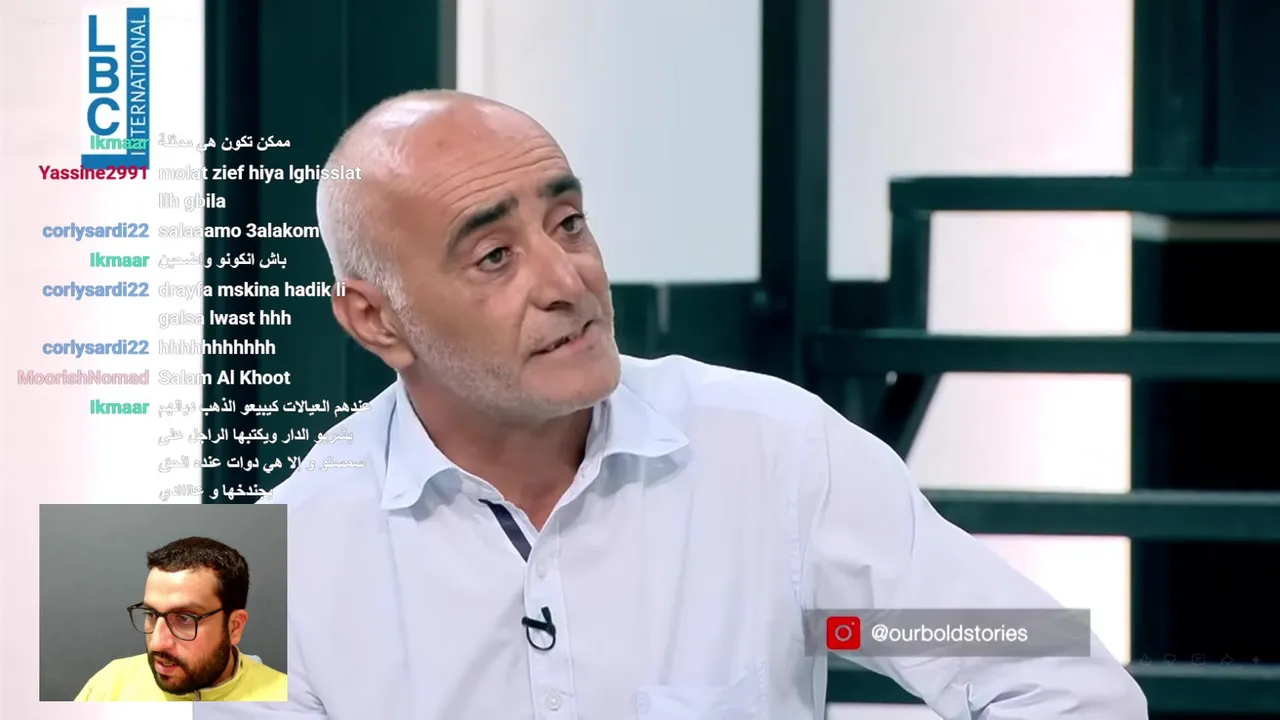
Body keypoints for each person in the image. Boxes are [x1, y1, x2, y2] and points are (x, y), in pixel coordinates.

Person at [195, 90, 1147, 719]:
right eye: (494, 257)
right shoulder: (263, 566)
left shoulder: (773, 454)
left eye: (569, 223)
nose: (568, 280)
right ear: (376, 320)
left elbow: (1050, 669)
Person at [76, 536, 287, 702]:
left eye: (185, 619)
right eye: (151, 614)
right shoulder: (110, 687)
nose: (157, 643)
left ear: (234, 627)